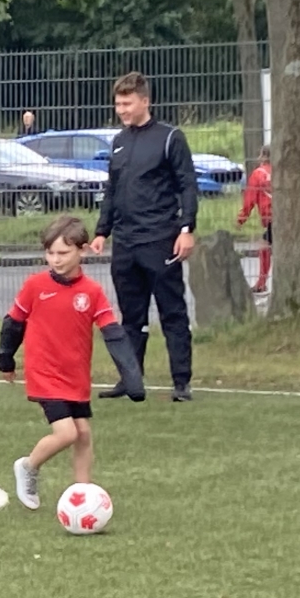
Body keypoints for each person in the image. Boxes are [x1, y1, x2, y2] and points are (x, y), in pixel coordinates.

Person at [0, 215, 145, 510]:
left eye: (63, 253)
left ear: (83, 250)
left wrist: (132, 376)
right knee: (67, 433)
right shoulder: (35, 285)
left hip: (75, 375)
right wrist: (5, 358)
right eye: (50, 253)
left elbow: (113, 334)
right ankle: (28, 466)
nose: (56, 259)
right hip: (44, 372)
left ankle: (83, 497)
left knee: (84, 434)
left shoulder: (92, 292)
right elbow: (13, 323)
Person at [90, 72, 200, 402]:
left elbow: (187, 185)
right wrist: (102, 231)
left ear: (145, 101)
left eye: (127, 103)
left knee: (172, 311)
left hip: (159, 238)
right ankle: (131, 379)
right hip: (126, 242)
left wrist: (186, 229)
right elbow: (112, 190)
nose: (121, 110)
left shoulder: (170, 138)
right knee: (130, 315)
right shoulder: (118, 141)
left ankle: (181, 382)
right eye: (118, 104)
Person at [237, 145, 273, 294]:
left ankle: (261, 283)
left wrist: (241, 219)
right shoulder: (282, 171)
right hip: (286, 216)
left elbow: (249, 200)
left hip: (271, 217)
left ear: (264, 157)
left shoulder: (258, 174)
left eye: (260, 155)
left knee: (264, 247)